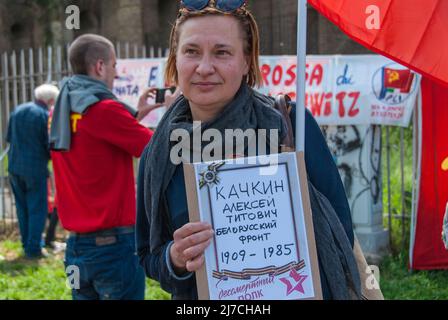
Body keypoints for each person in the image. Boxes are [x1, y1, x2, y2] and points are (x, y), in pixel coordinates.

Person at [136, 1, 360, 300]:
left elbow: (339, 229)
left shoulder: (290, 124)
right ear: (175, 60)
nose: (204, 67)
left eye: (222, 52)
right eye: (191, 51)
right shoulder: (159, 151)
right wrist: (175, 258)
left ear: (246, 62)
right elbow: (147, 256)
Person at [49, 34, 164, 300]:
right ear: (99, 66)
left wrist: (134, 115)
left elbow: (95, 140)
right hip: (113, 247)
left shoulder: (61, 111)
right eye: (114, 65)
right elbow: (158, 151)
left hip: (76, 246)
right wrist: (171, 112)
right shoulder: (105, 110)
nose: (115, 72)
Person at [7, 84, 59, 259]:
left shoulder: (18, 110)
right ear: (50, 100)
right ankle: (34, 248)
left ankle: (26, 243)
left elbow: (9, 139)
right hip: (35, 169)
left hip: (14, 167)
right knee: (38, 209)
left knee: (22, 209)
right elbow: (48, 144)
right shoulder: (45, 116)